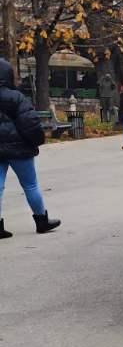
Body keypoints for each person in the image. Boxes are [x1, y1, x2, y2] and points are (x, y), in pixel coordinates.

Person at [0, 58, 62, 238]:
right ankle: (41, 220)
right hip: (20, 149)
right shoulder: (16, 97)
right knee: (30, 185)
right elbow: (30, 123)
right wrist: (37, 140)